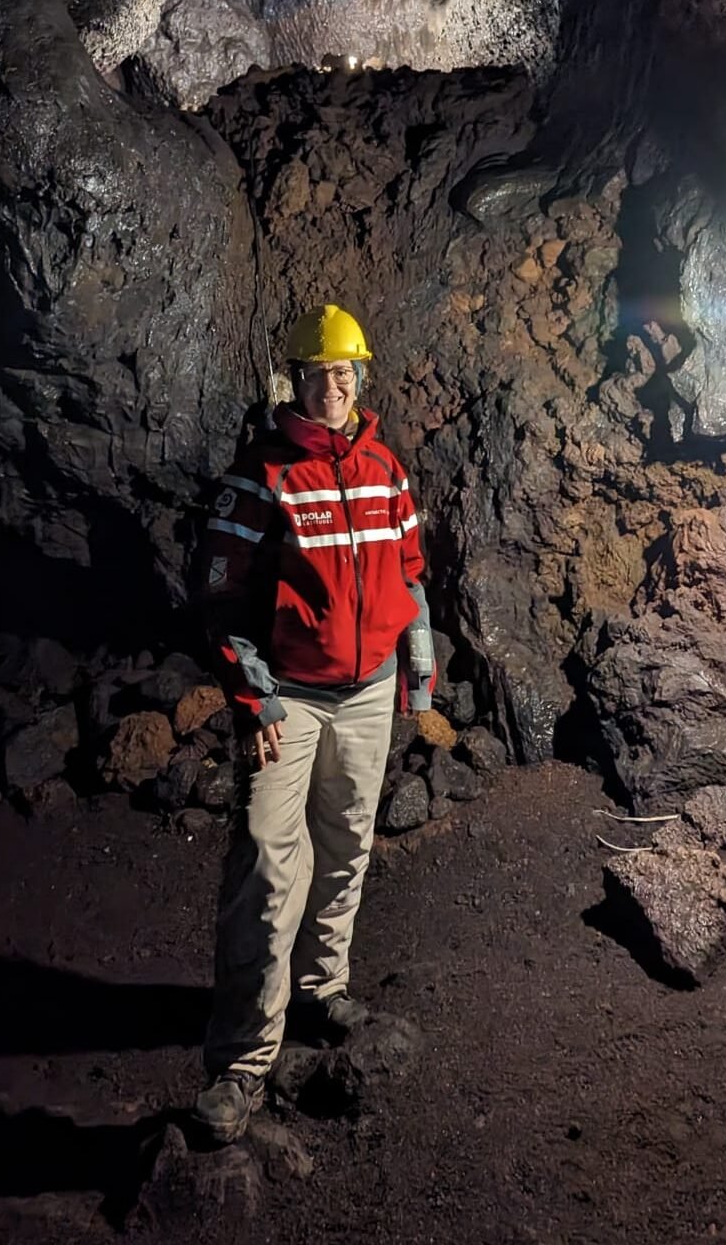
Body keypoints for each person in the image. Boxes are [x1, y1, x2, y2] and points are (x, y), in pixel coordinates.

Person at [192, 304, 436, 1144]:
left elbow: (409, 565)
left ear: (359, 377)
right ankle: (243, 1059)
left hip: (367, 691)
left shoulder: (385, 468)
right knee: (266, 861)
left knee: (349, 838)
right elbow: (219, 599)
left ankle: (321, 986)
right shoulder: (260, 477)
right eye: (318, 373)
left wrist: (419, 655)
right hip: (288, 695)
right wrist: (253, 696)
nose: (332, 388)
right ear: (291, 378)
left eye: (344, 374)